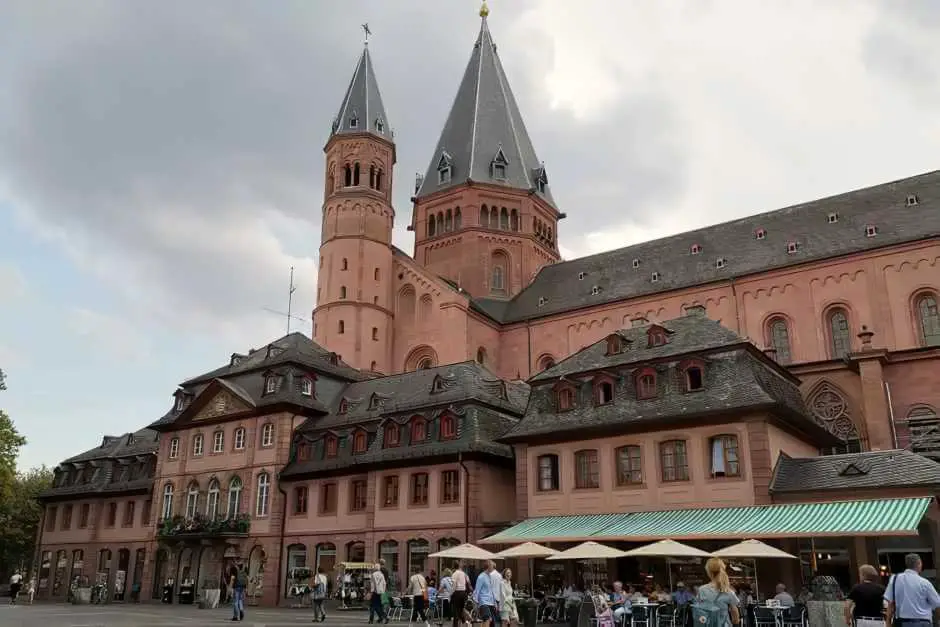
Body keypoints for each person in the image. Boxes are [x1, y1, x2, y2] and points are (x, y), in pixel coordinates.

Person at [885, 553, 940, 627]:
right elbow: (937, 604)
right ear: (919, 564)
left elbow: (891, 603)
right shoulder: (924, 583)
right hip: (922, 623)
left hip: (902, 623)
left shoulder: (894, 579)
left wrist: (888, 622)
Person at [693, 558, 740, 627]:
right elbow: (735, 614)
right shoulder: (728, 591)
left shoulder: (702, 590)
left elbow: (698, 611)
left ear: (709, 572)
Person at [474, 561, 498, 627]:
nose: (494, 568)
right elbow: (477, 590)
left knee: (492, 623)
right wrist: (476, 603)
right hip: (484, 602)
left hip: (491, 602)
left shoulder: (490, 576)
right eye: (493, 566)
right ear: (489, 566)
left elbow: (491, 591)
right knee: (487, 619)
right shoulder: (481, 577)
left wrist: (495, 602)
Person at [451, 563, 470, 627]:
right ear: (459, 566)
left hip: (457, 593)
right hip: (463, 593)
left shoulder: (454, 574)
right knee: (461, 610)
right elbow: (468, 581)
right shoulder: (464, 573)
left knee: (455, 611)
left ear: (454, 567)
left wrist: (451, 593)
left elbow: (454, 585)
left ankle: (456, 625)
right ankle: (466, 622)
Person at [490, 563, 504, 627]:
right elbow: (501, 587)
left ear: (492, 566)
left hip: (491, 598)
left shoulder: (489, 575)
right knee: (497, 616)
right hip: (498, 597)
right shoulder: (499, 575)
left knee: (492, 616)